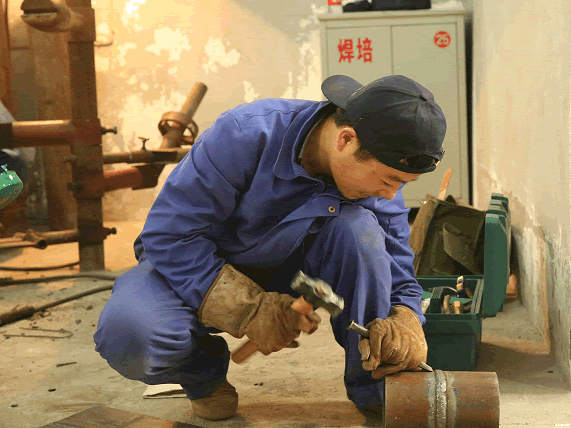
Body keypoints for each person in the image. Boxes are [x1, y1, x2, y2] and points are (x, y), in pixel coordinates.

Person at [94, 74, 446, 421]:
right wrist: (248, 308)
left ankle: (378, 387)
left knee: (360, 230)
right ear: (346, 139)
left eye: (401, 183)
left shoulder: (377, 171)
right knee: (128, 333)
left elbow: (395, 261)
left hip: (292, 270)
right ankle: (201, 374)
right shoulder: (244, 135)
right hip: (197, 267)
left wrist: (407, 316)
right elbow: (170, 235)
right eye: (387, 180)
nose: (391, 193)